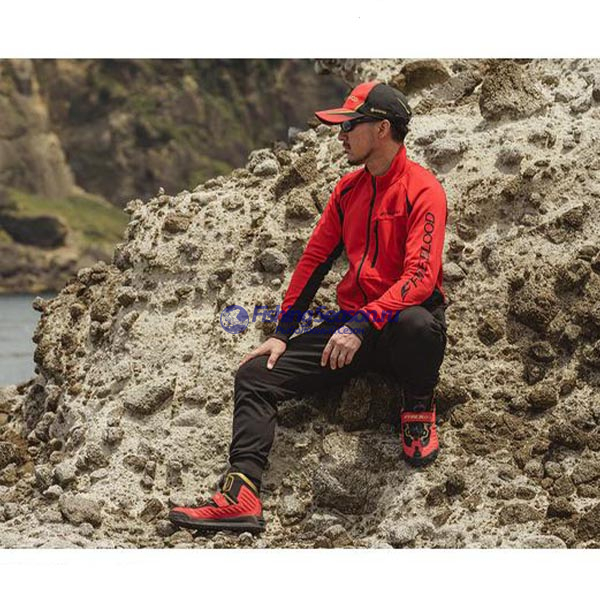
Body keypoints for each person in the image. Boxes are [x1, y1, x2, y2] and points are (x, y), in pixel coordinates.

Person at [169, 81, 448, 533]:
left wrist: (363, 323)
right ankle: (241, 496)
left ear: (382, 129)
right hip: (350, 330)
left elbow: (420, 278)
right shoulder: (348, 190)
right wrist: (282, 333)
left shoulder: (424, 189)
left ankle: (417, 406)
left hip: (399, 325)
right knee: (254, 375)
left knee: (419, 326)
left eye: (349, 125)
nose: (340, 135)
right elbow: (314, 261)